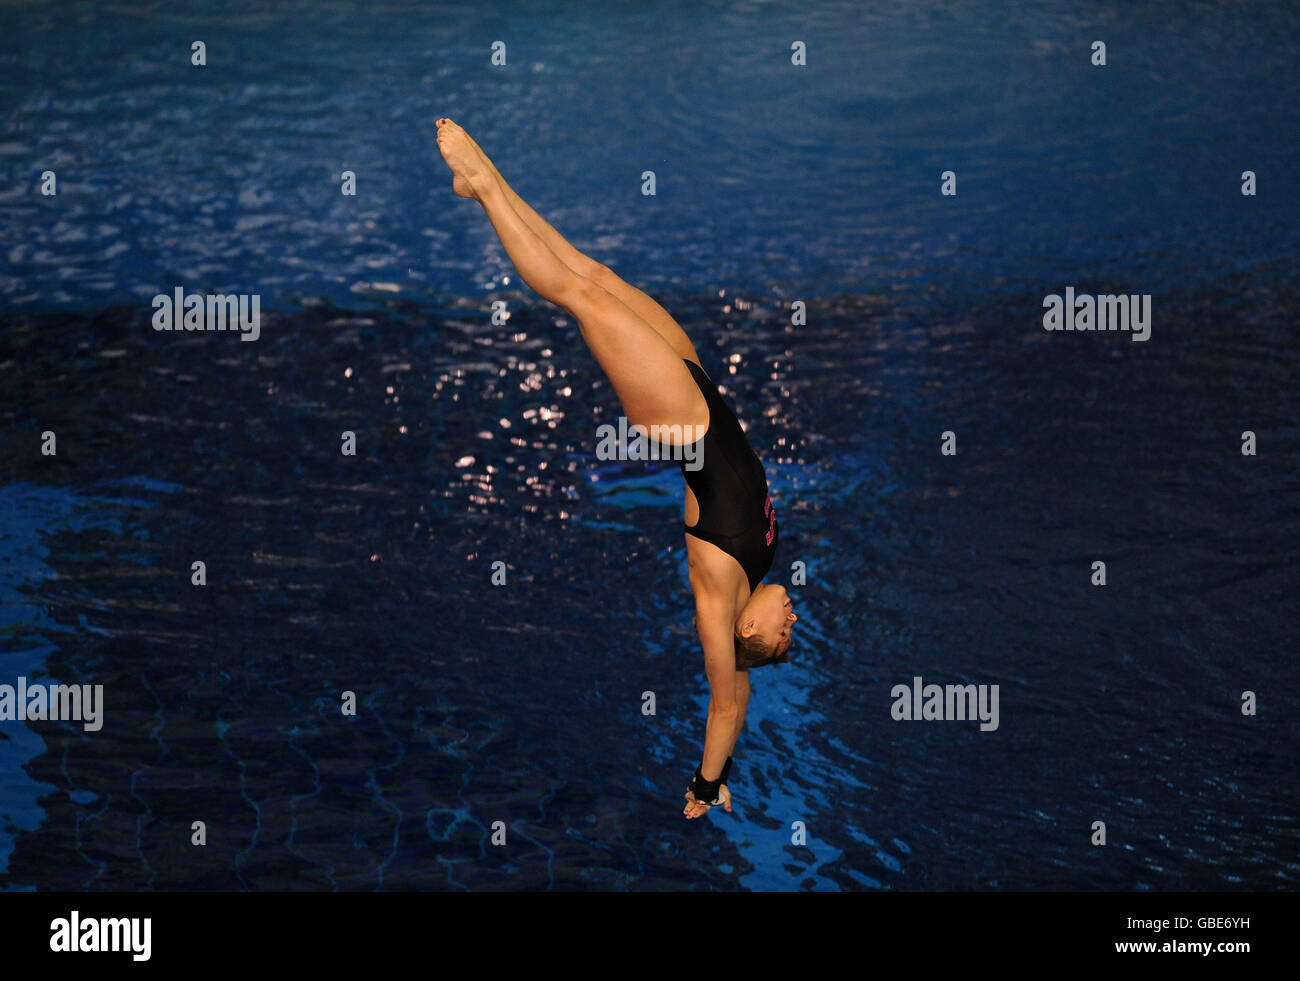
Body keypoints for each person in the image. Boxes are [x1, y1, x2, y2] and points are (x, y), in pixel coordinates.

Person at [435, 118, 797, 819]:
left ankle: (482, 184)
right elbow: (742, 700)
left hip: (682, 424)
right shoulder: (750, 589)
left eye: (784, 633)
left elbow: (725, 700)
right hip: (700, 392)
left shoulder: (719, 599)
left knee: (581, 296)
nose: (792, 618)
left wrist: (703, 782)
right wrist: (724, 774)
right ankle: (483, 185)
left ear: (749, 633)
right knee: (596, 275)